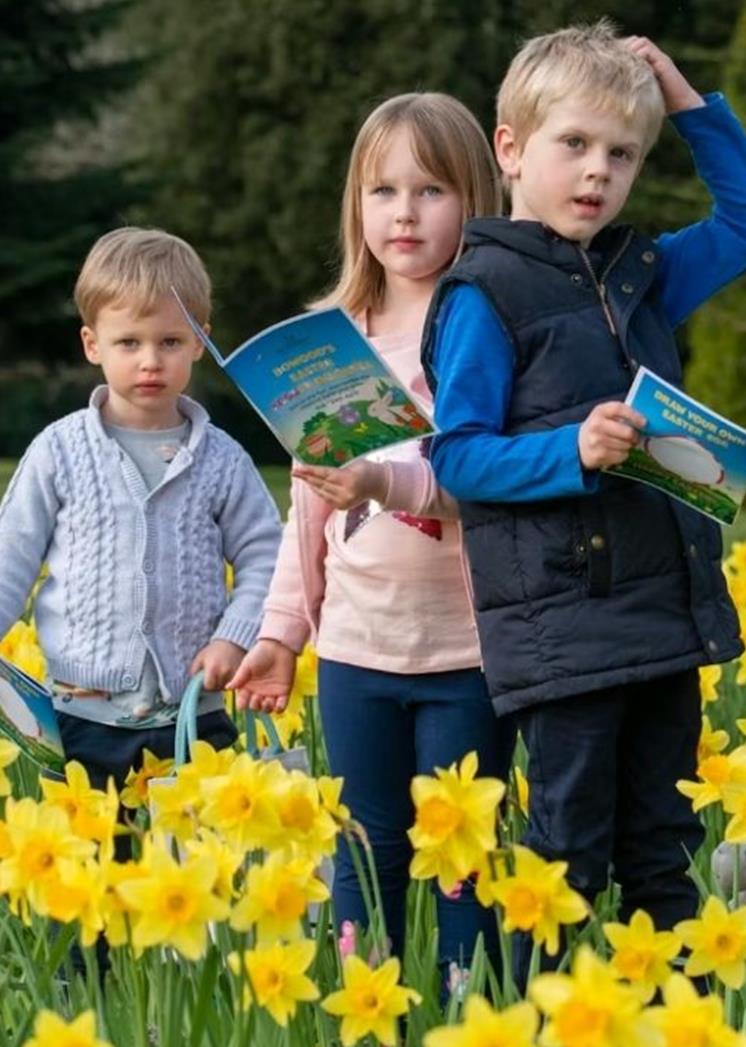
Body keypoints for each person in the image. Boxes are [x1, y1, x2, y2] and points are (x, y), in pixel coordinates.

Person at [420, 21, 746, 941]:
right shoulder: (482, 292)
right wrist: (571, 452)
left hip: (662, 614)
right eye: (573, 144)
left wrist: (684, 99)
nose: (598, 172)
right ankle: (556, 1041)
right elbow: (456, 458)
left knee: (664, 846)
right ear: (510, 149)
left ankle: (674, 1039)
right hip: (562, 628)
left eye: (622, 154)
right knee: (566, 860)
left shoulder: (640, 275)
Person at [226, 93, 511, 985]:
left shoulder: (486, 336)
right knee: (364, 850)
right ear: (356, 205)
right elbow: (306, 512)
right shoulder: (332, 344)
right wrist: (279, 637)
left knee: (464, 857)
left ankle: (474, 1022)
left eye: (431, 190)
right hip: (355, 653)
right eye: (382, 191)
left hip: (469, 652)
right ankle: (370, 1017)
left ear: (475, 199)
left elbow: (499, 487)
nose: (404, 213)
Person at [0, 226, 282, 826]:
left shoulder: (223, 458)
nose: (151, 361)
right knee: (97, 885)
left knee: (195, 889)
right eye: (129, 342)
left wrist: (235, 636)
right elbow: (11, 552)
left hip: (192, 720)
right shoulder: (60, 450)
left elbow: (266, 555)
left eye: (171, 341)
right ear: (92, 344)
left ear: (200, 343)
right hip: (83, 721)